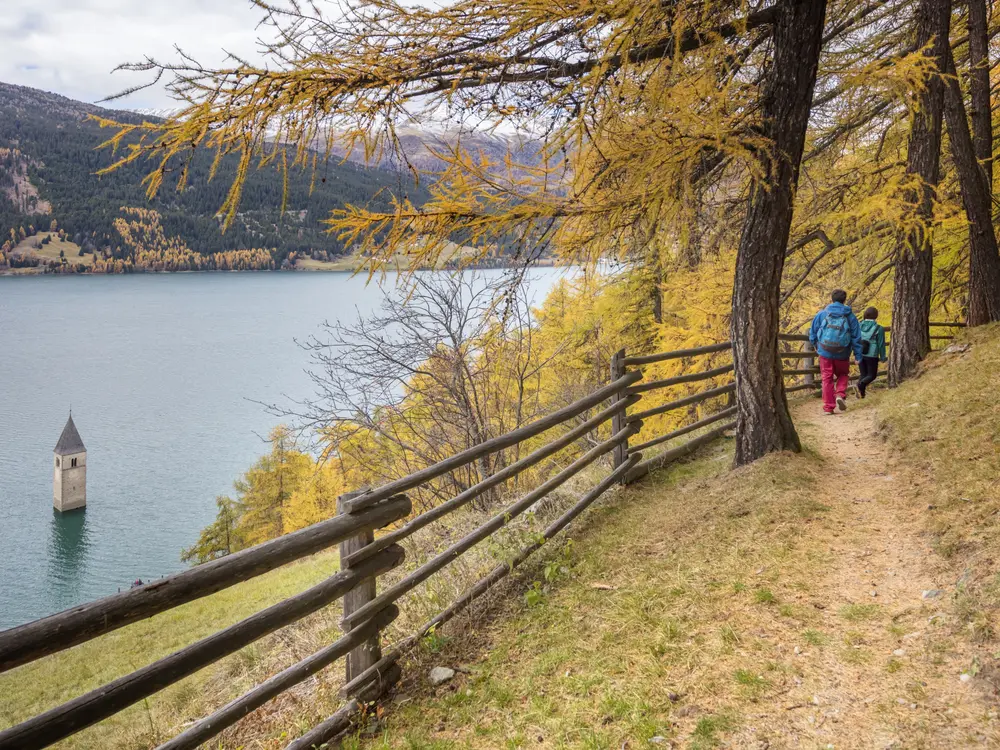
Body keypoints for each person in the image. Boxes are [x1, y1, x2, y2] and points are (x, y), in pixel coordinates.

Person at [808, 289, 863, 414]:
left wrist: (816, 345)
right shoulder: (850, 316)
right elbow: (856, 337)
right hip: (842, 352)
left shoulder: (822, 314)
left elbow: (813, 332)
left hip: (824, 351)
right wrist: (858, 355)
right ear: (844, 300)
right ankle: (839, 394)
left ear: (831, 299)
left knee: (826, 378)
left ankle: (828, 407)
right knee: (843, 374)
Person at [856, 306, 887, 398]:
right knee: (871, 375)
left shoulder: (859, 325)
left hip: (860, 352)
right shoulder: (878, 328)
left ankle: (862, 394)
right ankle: (860, 385)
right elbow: (881, 344)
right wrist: (882, 357)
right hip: (872, 355)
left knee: (863, 374)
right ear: (876, 316)